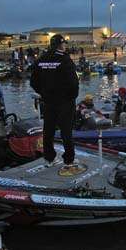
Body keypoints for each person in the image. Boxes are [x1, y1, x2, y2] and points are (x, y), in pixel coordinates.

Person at [30, 34, 79, 167]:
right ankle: (69, 160)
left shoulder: (41, 59)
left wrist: (43, 93)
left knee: (48, 130)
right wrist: (71, 97)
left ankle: (49, 158)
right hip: (65, 102)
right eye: (64, 44)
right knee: (66, 131)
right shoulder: (65, 59)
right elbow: (74, 82)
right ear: (61, 45)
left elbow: (33, 81)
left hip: (48, 101)